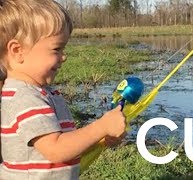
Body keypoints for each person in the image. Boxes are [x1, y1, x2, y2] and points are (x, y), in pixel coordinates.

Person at [0, 0, 126, 179]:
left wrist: (100, 138)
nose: (64, 57)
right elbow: (56, 149)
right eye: (56, 49)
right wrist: (101, 126)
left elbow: (66, 145)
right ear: (17, 50)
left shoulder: (41, 92)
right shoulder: (24, 97)